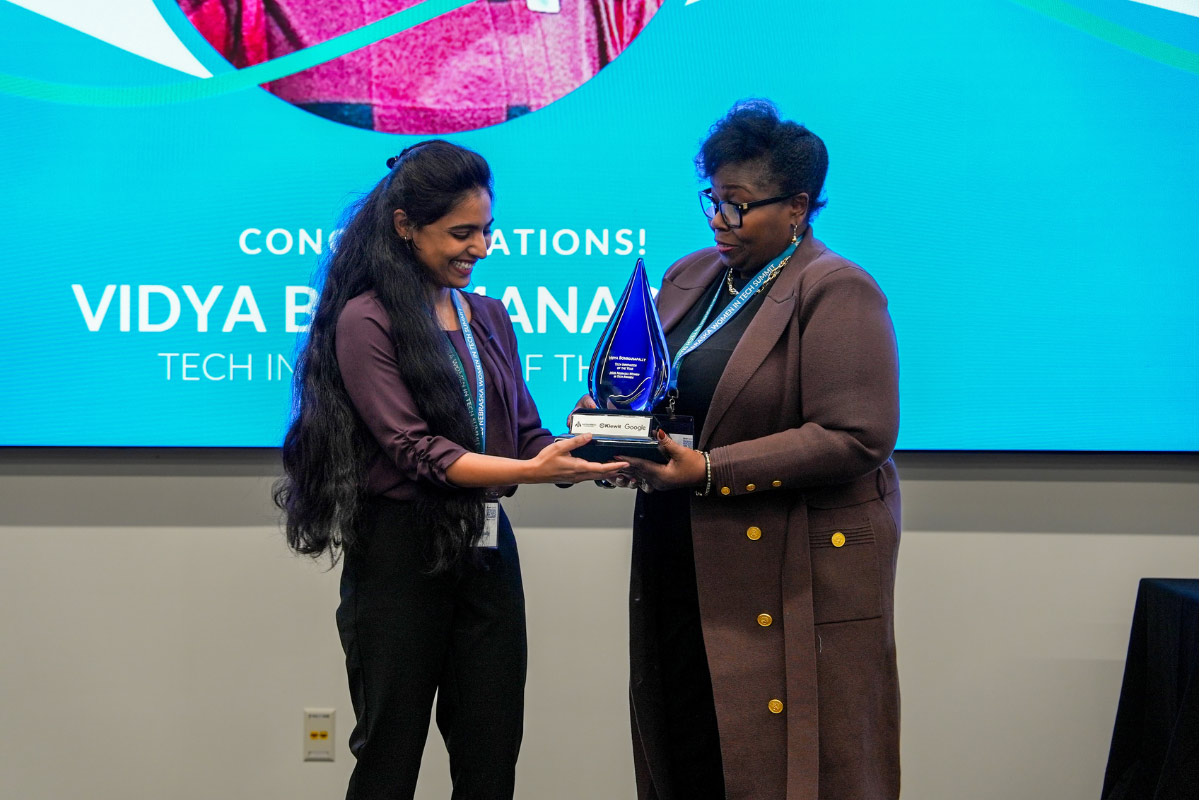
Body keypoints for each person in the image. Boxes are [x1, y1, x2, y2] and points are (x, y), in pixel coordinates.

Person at [274, 139, 624, 800]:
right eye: (461, 233)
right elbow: (414, 451)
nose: (481, 247)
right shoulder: (366, 318)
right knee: (390, 753)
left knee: (492, 751)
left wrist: (592, 442)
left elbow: (524, 437)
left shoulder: (488, 315)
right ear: (405, 226)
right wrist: (542, 470)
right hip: (400, 552)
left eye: (487, 231)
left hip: (487, 550)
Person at [611, 100, 902, 800]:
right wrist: (613, 422)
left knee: (773, 762)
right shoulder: (692, 276)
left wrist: (710, 469)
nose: (719, 219)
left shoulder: (837, 289)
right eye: (712, 198)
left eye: (738, 205)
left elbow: (856, 435)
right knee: (688, 739)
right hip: (684, 549)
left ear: (798, 206)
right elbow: (661, 387)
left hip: (784, 564)